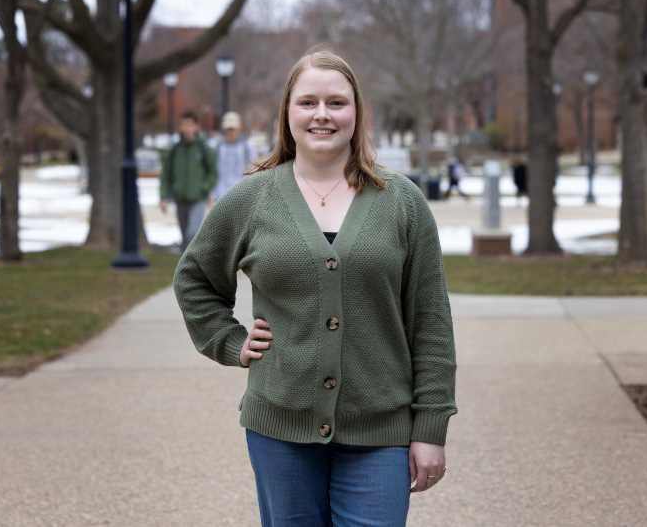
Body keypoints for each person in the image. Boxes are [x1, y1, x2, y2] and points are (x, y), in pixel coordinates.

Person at [173, 50, 457, 527]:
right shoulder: (250, 199)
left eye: (336, 102)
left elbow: (430, 321)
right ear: (288, 112)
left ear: (356, 112)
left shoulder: (402, 202)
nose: (322, 114)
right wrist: (230, 341)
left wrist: (430, 427)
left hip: (381, 430)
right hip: (280, 428)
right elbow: (195, 278)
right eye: (307, 102)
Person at [159, 111, 218, 252]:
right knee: (185, 236)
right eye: (184, 125)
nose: (187, 129)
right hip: (180, 199)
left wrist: (205, 188)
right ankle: (187, 269)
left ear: (197, 127)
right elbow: (166, 175)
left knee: (192, 233)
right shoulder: (175, 150)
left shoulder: (204, 149)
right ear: (180, 128)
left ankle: (193, 266)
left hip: (198, 199)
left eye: (190, 125)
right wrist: (163, 197)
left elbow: (212, 173)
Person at [209, 111, 258, 206]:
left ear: (239, 128)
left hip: (241, 196)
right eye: (228, 129)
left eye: (233, 129)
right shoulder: (216, 146)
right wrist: (211, 194)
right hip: (220, 196)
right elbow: (213, 171)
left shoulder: (248, 147)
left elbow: (252, 171)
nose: (231, 132)